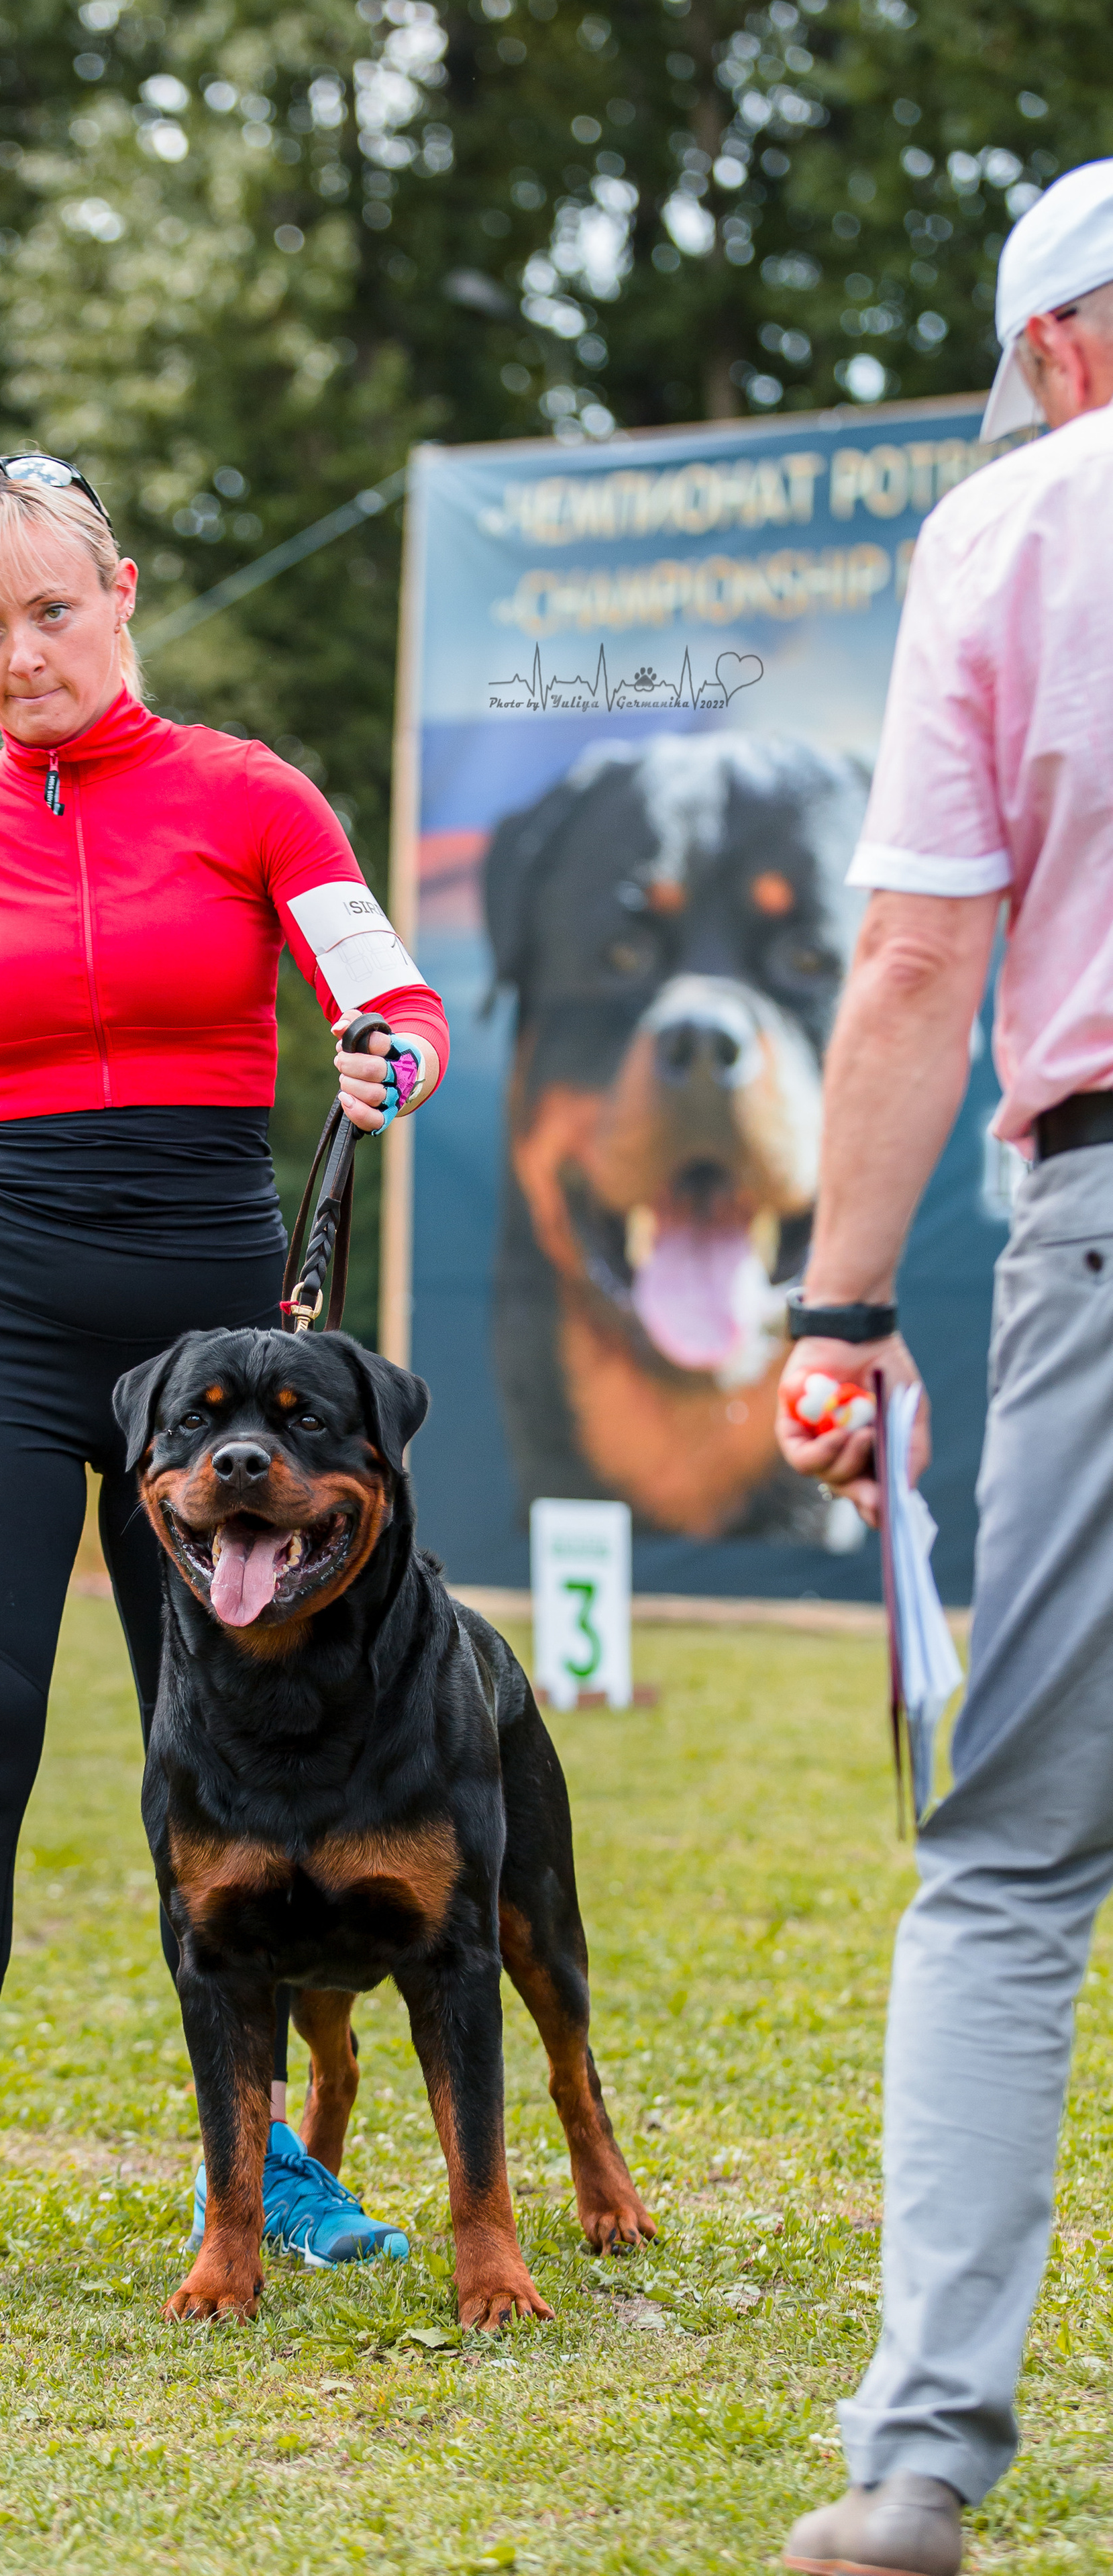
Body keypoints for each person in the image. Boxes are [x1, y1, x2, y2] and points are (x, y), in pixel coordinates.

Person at [0, 454, 452, 2299]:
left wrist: (392, 1056)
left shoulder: (248, 793)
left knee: (244, 1758)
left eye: (49, 612)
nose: (19, 655)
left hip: (218, 1348)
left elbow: (392, 999)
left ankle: (280, 2164)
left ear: (123, 592)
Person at [772, 162, 1113, 2576]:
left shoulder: (1014, 528)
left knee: (1007, 1865)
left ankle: (919, 2474)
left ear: (1063, 347)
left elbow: (913, 963)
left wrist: (839, 1309)